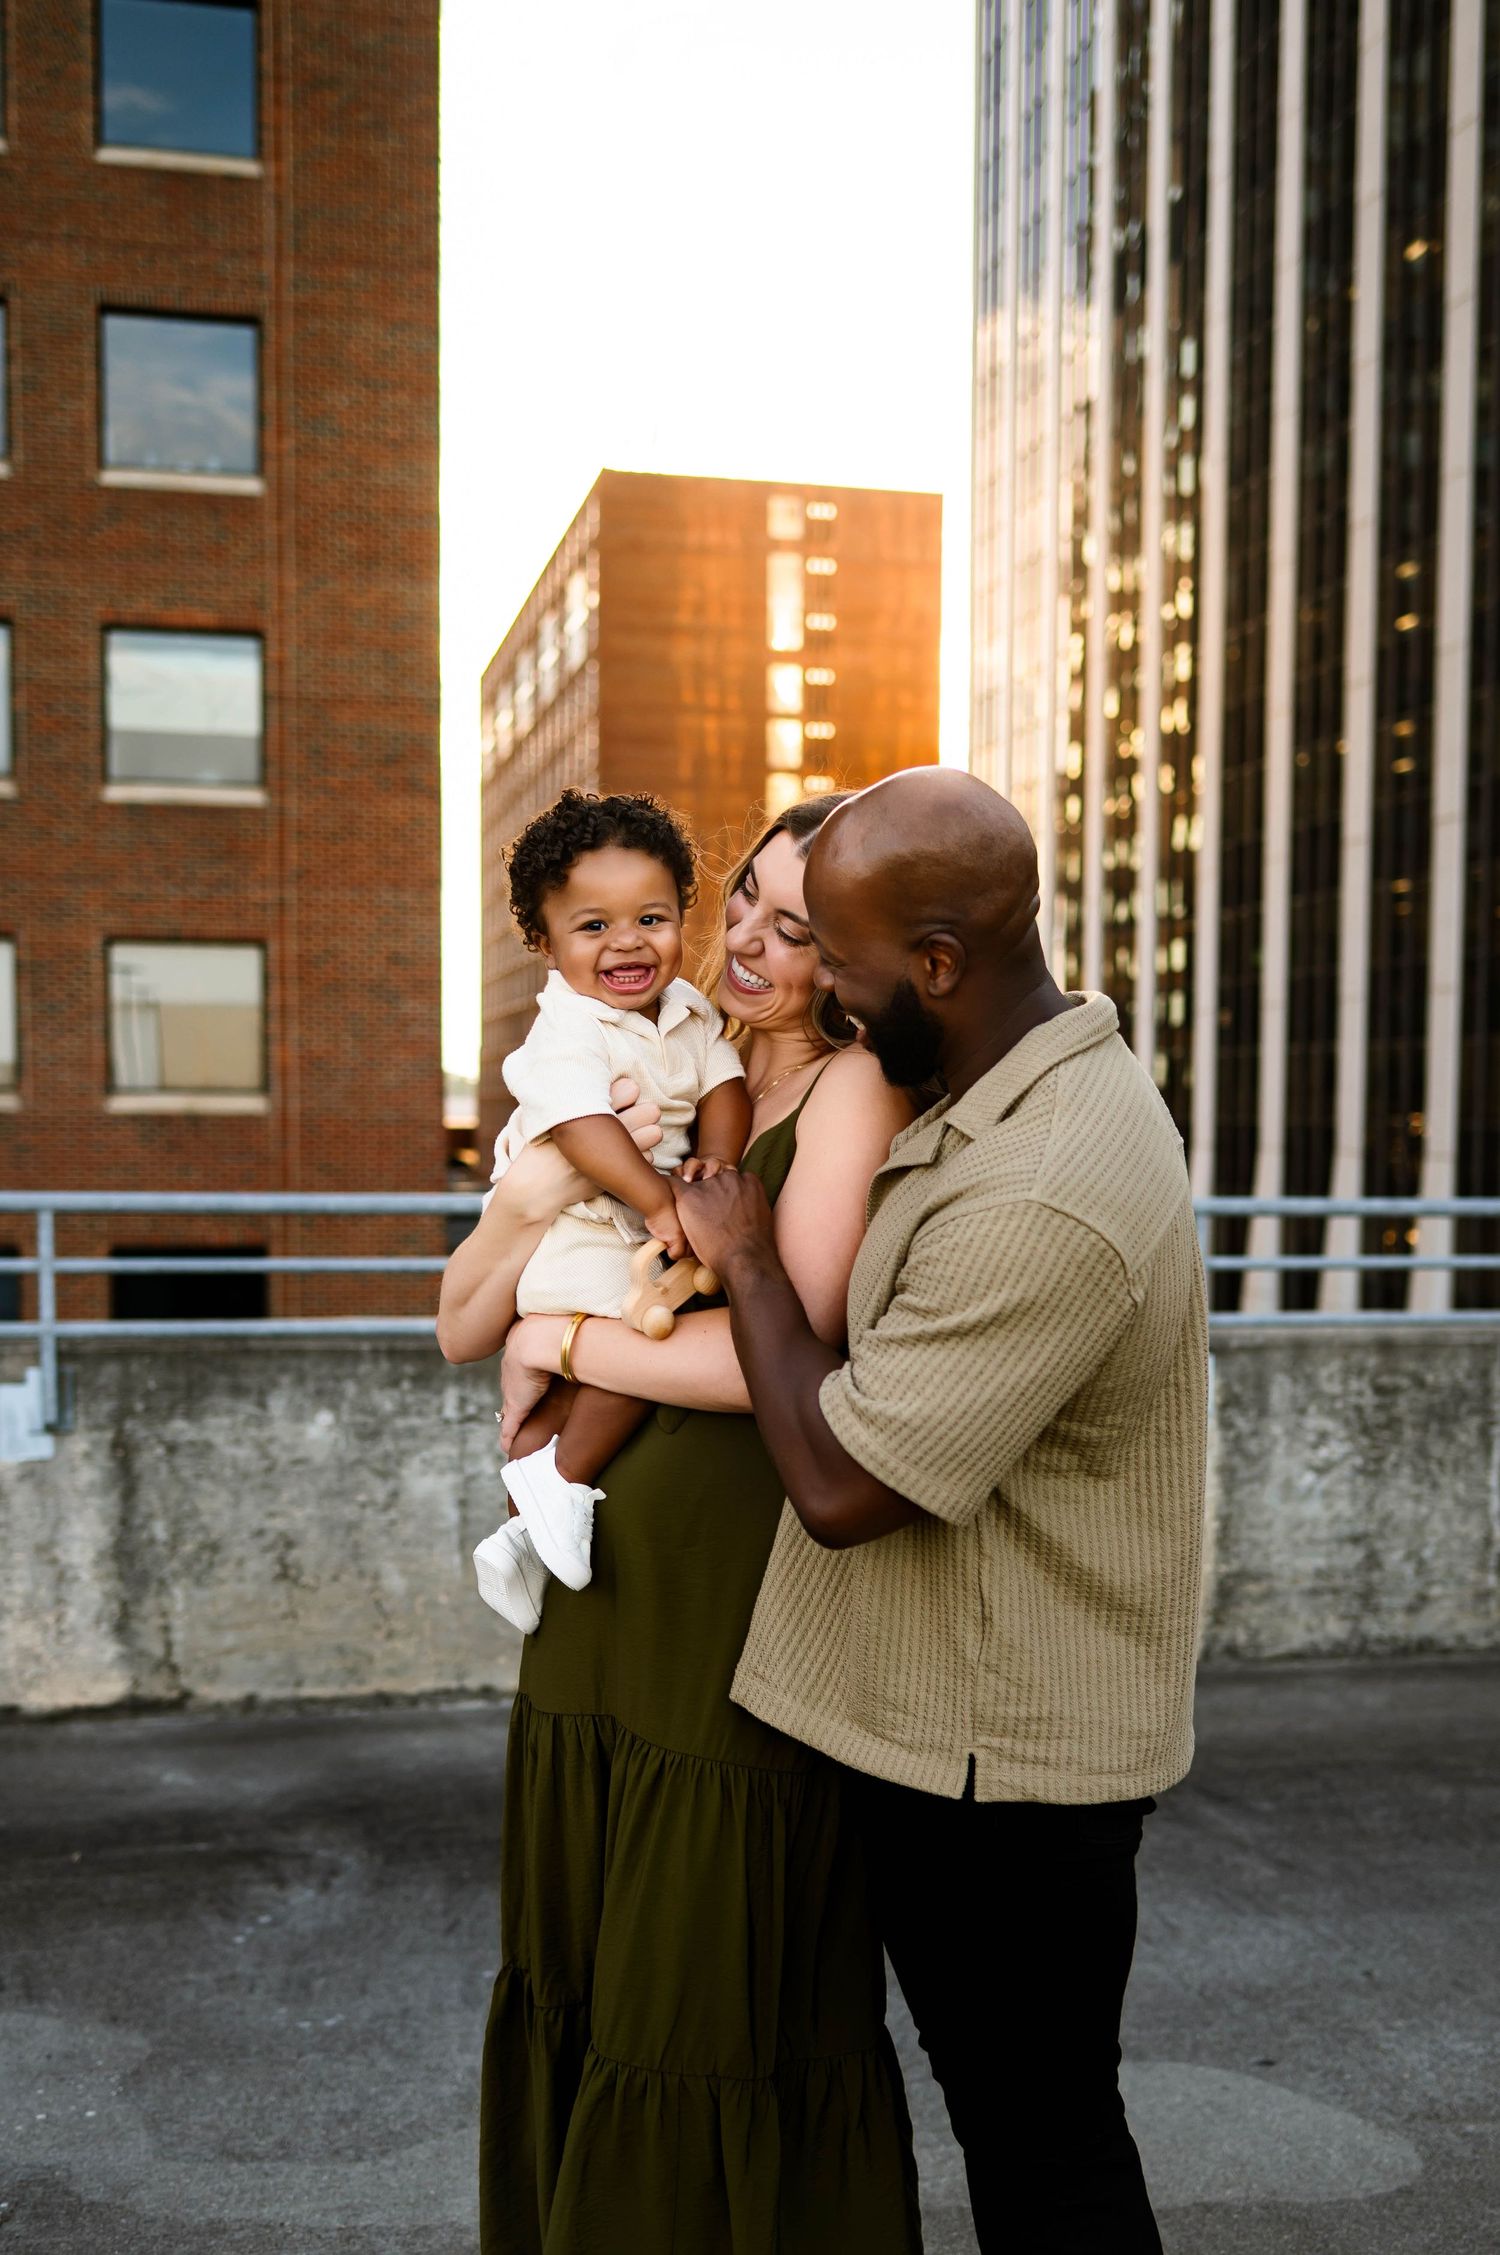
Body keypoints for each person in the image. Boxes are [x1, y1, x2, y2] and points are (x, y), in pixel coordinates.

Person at [673, 767, 1208, 2255]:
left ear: (939, 963)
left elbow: (847, 1486)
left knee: (1045, 2141)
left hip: (1008, 1764)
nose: (824, 993)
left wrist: (751, 1263)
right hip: (964, 1727)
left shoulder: (1048, 1179)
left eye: (838, 960)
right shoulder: (1002, 1078)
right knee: (1018, 2117)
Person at [437, 793, 923, 2255]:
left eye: (806, 922)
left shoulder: (848, 1091)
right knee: (595, 1959)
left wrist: (568, 1346)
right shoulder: (657, 1050)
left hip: (727, 1595)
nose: (763, 943)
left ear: (857, 949)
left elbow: (787, 1353)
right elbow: (462, 1324)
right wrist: (527, 1228)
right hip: (604, 1594)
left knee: (701, 1977)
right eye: (754, 907)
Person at [470, 790, 752, 1633]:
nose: (627, 941)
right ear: (544, 943)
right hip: (579, 1232)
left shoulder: (689, 1015)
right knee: (635, 1346)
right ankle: (556, 1484)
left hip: (630, 1233)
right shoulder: (567, 1031)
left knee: (575, 1391)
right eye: (593, 926)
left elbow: (726, 1087)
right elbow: (584, 1129)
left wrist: (720, 1158)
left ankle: (520, 1533)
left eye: (652, 918)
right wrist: (662, 1200)